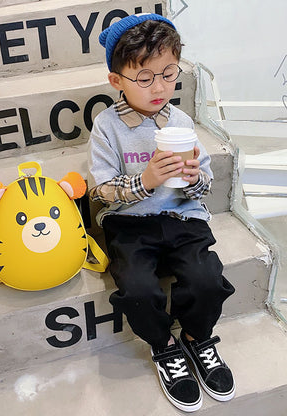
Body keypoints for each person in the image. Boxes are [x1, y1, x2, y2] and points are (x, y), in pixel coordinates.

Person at [87, 13, 236, 412]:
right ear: (117, 81)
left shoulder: (182, 120)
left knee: (207, 280)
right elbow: (100, 191)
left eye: (169, 74)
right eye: (145, 77)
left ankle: (195, 337)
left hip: (182, 217)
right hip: (131, 223)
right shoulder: (106, 127)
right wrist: (146, 180)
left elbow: (205, 183)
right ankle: (164, 345)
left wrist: (191, 180)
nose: (160, 87)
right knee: (136, 289)